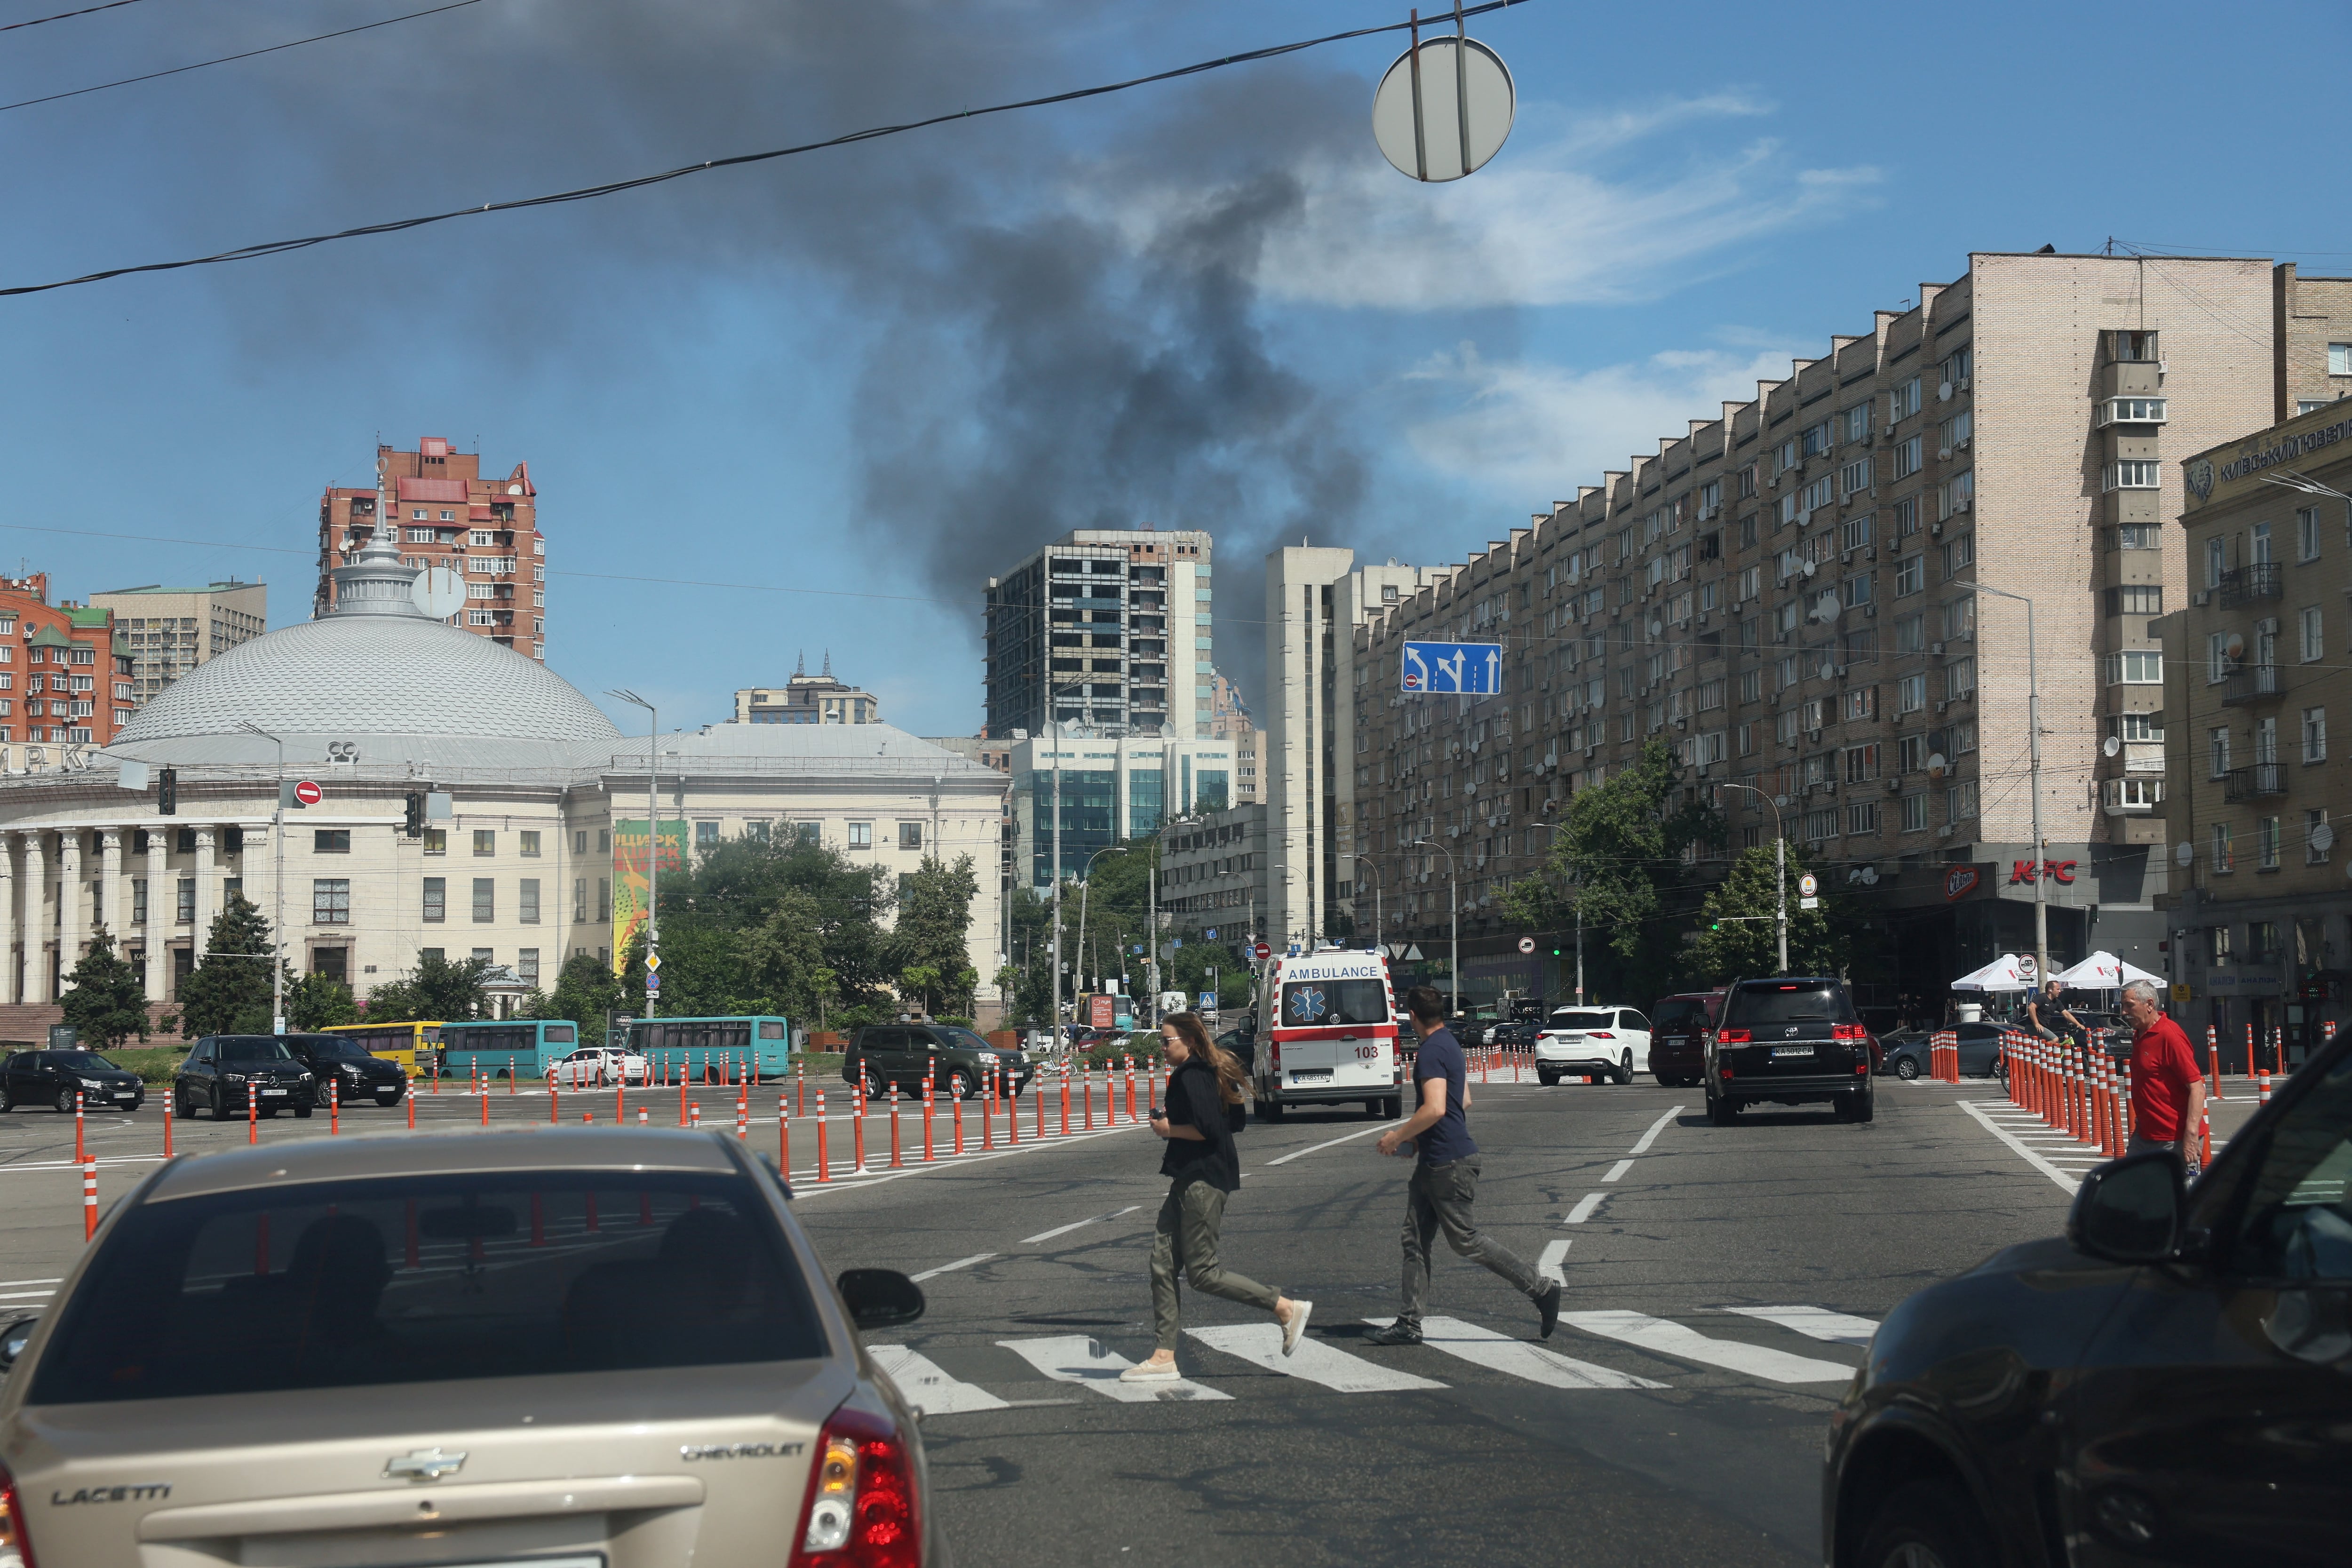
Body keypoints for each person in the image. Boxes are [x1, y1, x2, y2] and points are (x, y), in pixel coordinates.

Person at [1367, 984, 1561, 1346]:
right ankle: (1409, 1322)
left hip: (1449, 1163)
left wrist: (1398, 1137)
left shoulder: (1429, 1052)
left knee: (1466, 1241)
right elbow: (1465, 1101)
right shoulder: (1450, 1046)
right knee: (1414, 1239)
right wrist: (1418, 1140)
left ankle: (1542, 1289)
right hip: (1437, 1159)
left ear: (1412, 1016)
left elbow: (1438, 1107)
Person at [1121, 1011, 1308, 1383]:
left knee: (1203, 1273)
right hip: (1189, 1179)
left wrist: (1166, 1128)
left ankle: (1285, 1307)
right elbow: (1234, 1122)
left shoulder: (1192, 1076)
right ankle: (1164, 1356)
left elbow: (1207, 1130)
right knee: (1161, 1263)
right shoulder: (1210, 1072)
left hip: (1202, 1182)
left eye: (1167, 1040)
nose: (1162, 1046)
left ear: (1189, 1041)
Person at [2117, 979, 2206, 1175]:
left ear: (2149, 1005)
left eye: (2129, 1006)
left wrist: (2191, 1136)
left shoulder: (2170, 1035)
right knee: (2128, 1189)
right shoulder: (2140, 1032)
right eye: (2122, 1005)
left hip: (2173, 1138)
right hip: (2146, 1134)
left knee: (2172, 1200)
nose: (2123, 1012)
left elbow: (2197, 1088)